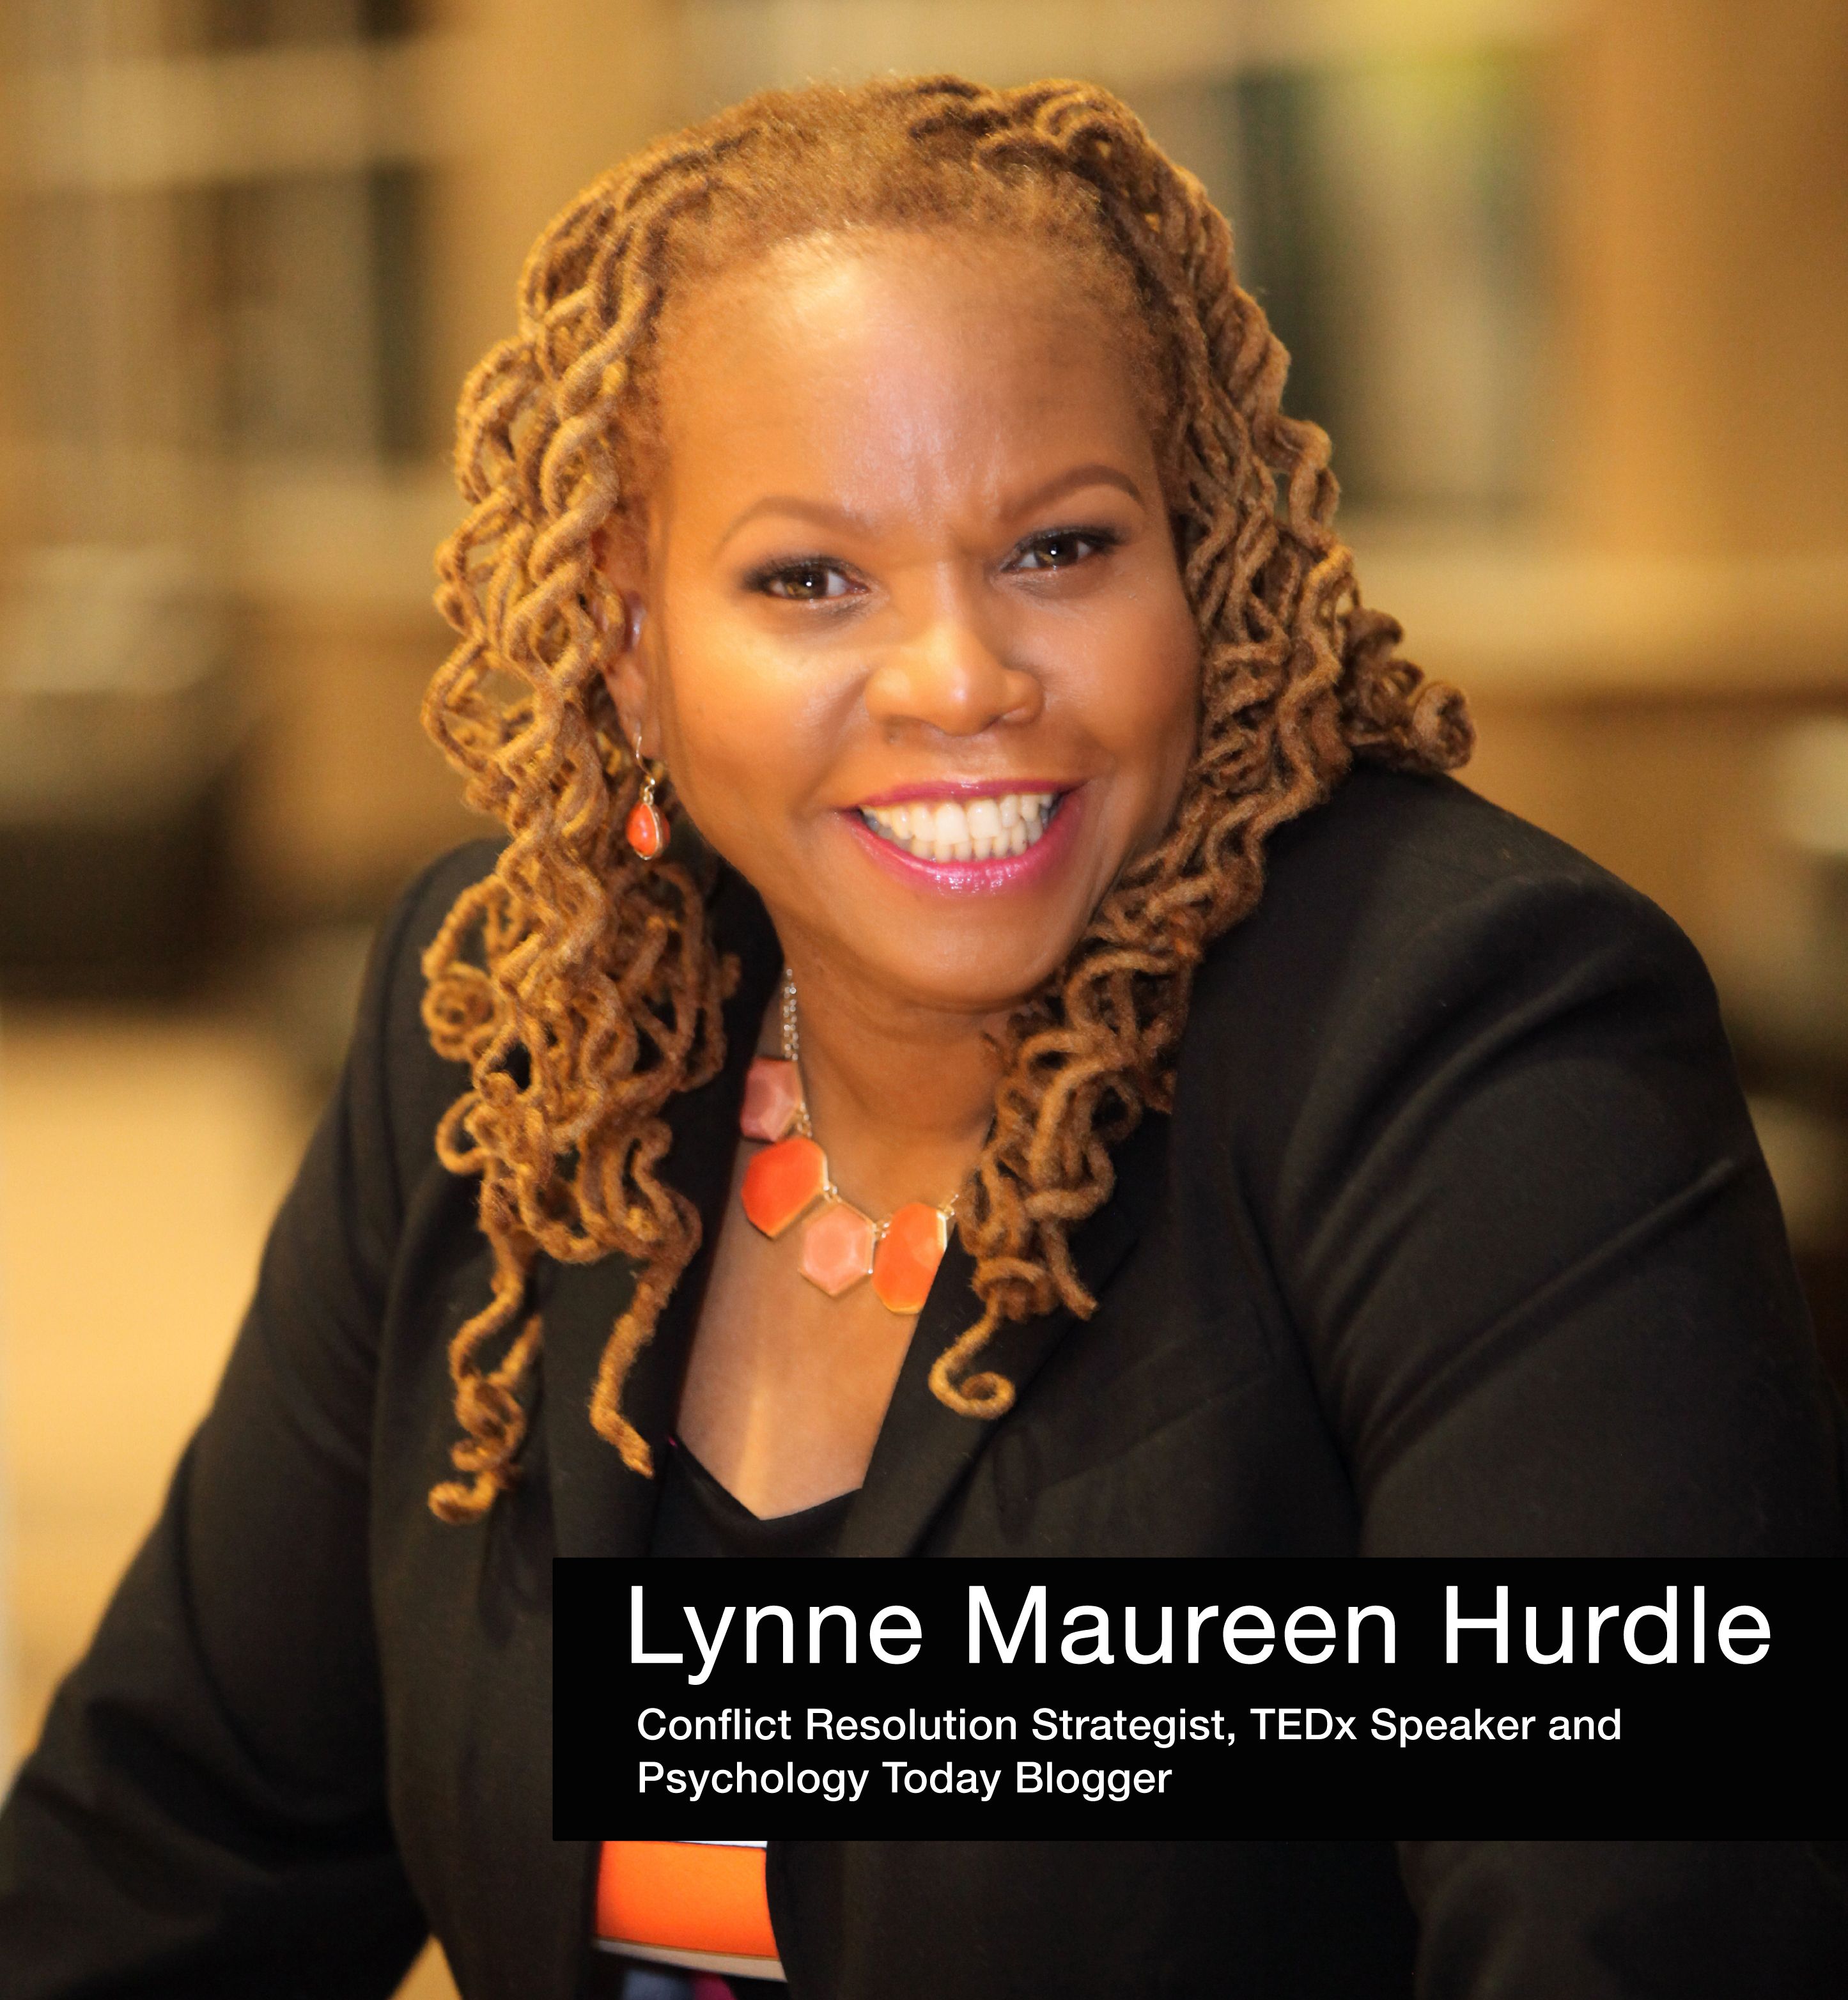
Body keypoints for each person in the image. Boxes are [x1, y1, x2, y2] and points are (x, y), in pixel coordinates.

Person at [1, 72, 1843, 2000]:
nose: (960, 678)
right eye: (809, 579)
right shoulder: (523, 1034)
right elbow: (169, 1846)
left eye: (1058, 548)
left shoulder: (1472, 1039)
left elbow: (1645, 1915)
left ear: (1198, 558)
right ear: (628, 640)